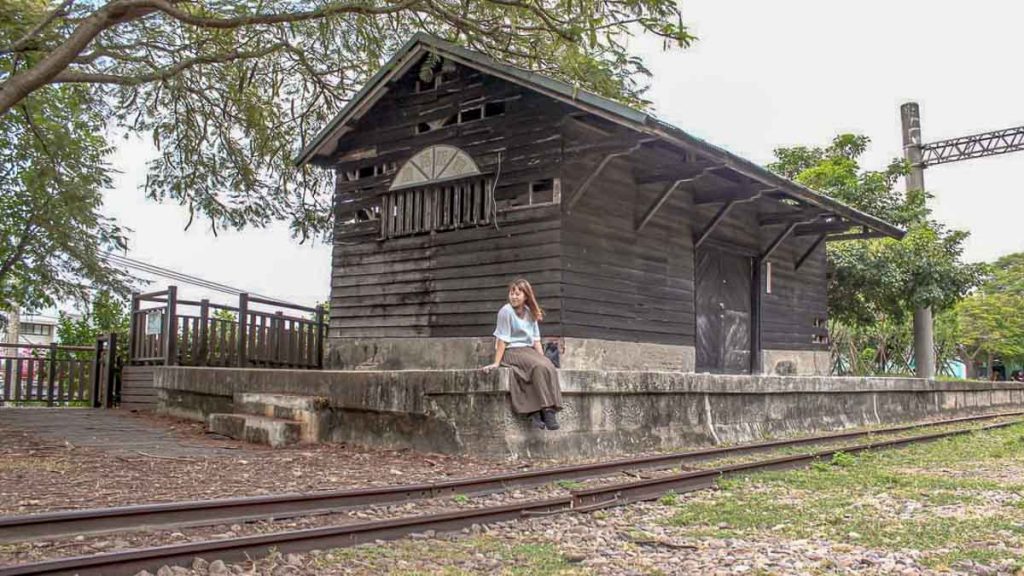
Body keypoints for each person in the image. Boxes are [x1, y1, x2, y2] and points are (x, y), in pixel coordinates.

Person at [482, 278, 563, 430]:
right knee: (536, 366)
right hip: (510, 351)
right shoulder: (505, 312)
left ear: (526, 296)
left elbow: (536, 340)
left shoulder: (530, 313)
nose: (514, 297)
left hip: (527, 351)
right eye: (512, 293)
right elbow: (502, 340)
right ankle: (545, 408)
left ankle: (550, 409)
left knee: (547, 366)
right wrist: (496, 363)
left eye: (518, 294)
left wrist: (543, 358)